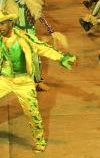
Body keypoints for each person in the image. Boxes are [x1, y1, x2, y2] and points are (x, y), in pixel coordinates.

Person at [0, 12, 76, 152]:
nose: (0, 27)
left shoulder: (24, 37)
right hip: (4, 79)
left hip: (24, 83)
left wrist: (61, 58)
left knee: (32, 113)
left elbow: (43, 47)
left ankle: (39, 140)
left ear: (10, 22)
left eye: (2, 23)